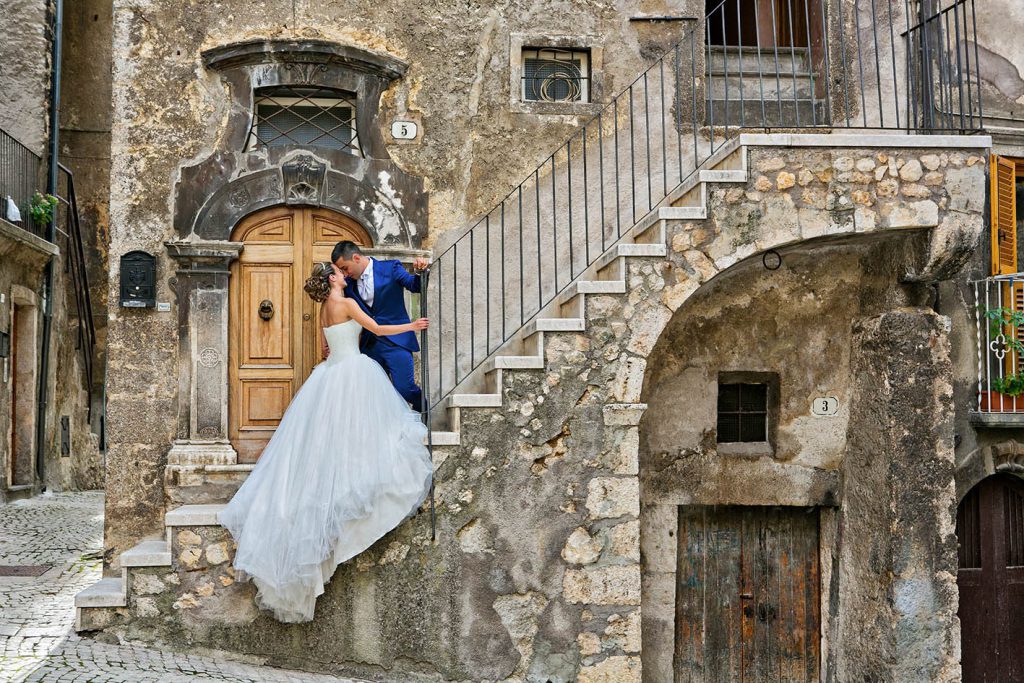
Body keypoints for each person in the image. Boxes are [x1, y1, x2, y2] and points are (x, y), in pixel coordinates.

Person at [218, 262, 433, 623]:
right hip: (353, 371)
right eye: (337, 272)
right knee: (360, 432)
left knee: (323, 438)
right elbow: (377, 329)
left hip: (330, 375)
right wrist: (412, 325)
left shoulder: (324, 307)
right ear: (332, 279)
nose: (343, 274)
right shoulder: (347, 304)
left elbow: (323, 348)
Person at [331, 241, 428, 411]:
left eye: (345, 268)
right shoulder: (349, 285)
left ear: (356, 257)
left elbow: (415, 286)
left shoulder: (391, 268)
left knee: (405, 388)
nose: (345, 274)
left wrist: (420, 272)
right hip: (369, 347)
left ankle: (426, 414)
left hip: (397, 342)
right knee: (372, 394)